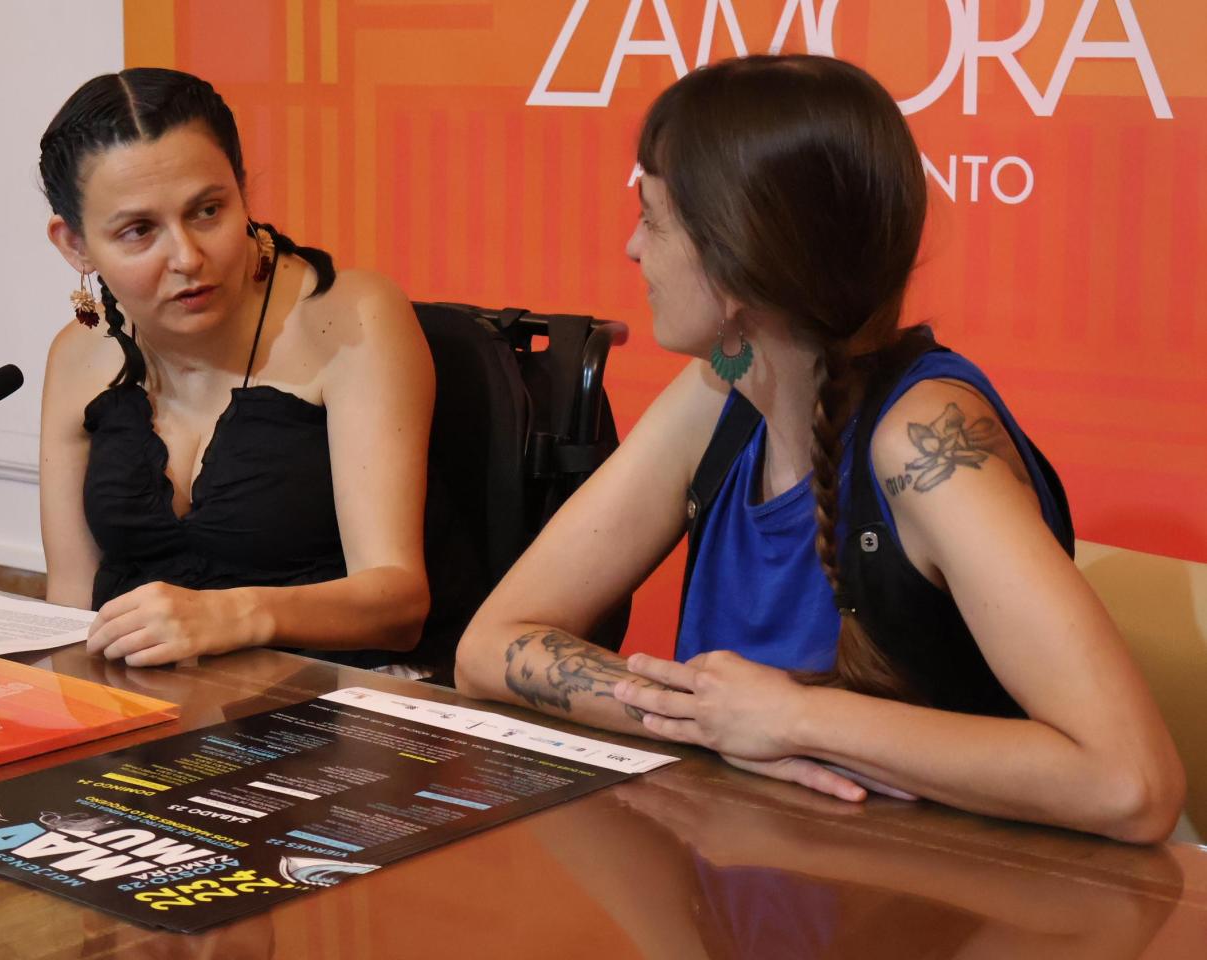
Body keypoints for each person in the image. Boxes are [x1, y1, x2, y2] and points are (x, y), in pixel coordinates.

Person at [454, 55, 1184, 843]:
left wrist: (796, 719)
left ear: (734, 260)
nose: (633, 248)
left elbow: (1129, 783)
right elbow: (489, 647)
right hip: (756, 878)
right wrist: (709, 720)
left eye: (654, 218)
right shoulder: (717, 393)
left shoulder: (923, 442)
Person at [36, 68, 433, 669]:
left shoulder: (351, 317)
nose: (188, 257)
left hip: (330, 710)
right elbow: (71, 609)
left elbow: (399, 605)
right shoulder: (77, 357)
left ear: (242, 191)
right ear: (76, 246)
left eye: (208, 211)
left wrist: (237, 615)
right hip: (144, 712)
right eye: (140, 231)